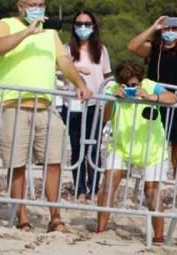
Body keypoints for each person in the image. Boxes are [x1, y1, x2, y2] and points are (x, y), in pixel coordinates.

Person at [0, 0, 93, 231]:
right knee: (17, 164)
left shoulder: (50, 34)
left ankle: (55, 217)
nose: (38, 8)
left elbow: (64, 61)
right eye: (33, 4)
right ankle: (22, 218)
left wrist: (79, 82)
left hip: (45, 105)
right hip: (11, 103)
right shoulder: (5, 24)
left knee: (53, 161)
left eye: (41, 4)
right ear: (20, 6)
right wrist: (27, 32)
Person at [128, 12, 177, 212]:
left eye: (174, 28)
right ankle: (150, 192)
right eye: (167, 28)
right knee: (152, 152)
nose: (170, 32)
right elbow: (132, 47)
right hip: (157, 105)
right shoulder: (153, 49)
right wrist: (154, 27)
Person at [95, 61, 177, 242]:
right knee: (109, 183)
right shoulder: (115, 89)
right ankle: (100, 230)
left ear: (141, 80)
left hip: (152, 149)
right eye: (127, 85)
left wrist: (151, 97)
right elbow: (105, 117)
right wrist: (113, 99)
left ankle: (158, 237)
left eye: (134, 85)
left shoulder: (150, 85)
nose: (131, 88)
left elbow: (173, 98)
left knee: (152, 191)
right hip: (121, 146)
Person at [62, 9, 110, 204]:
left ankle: (94, 189)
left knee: (94, 147)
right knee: (76, 147)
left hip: (95, 105)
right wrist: (76, 71)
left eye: (87, 24)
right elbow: (62, 71)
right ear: (74, 27)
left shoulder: (101, 50)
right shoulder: (66, 49)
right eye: (79, 24)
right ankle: (80, 188)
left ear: (93, 27)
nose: (83, 28)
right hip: (72, 104)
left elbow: (106, 76)